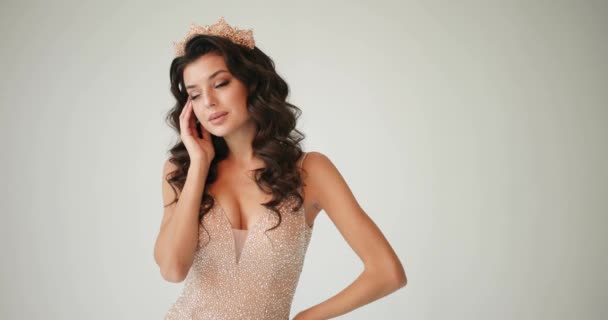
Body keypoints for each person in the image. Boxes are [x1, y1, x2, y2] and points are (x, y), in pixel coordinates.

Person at [154, 17, 407, 320]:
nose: (208, 102)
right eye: (194, 94)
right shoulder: (179, 171)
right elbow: (172, 269)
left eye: (221, 83)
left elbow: (387, 272)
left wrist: (305, 318)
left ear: (252, 83)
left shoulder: (311, 171)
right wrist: (198, 165)